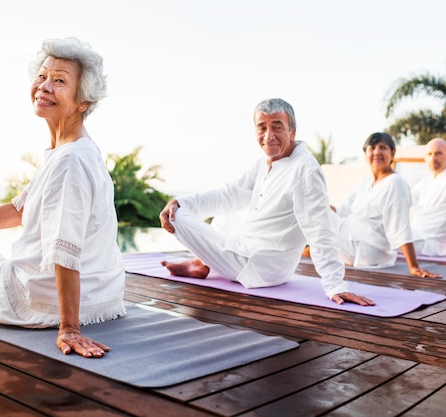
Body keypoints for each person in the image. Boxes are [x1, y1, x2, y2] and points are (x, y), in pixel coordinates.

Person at [0, 37, 125, 358]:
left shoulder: (70, 161)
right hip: (104, 298)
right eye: (42, 76)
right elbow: (21, 208)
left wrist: (69, 328)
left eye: (59, 81)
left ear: (82, 101)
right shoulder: (73, 150)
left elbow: (64, 248)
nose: (44, 86)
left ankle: (36, 310)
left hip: (45, 305)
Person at [159, 98, 374, 306]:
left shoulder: (305, 169)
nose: (268, 136)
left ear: (293, 131)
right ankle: (203, 263)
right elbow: (230, 194)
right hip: (258, 255)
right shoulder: (264, 163)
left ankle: (203, 261)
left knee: (177, 216)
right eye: (262, 127)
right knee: (223, 209)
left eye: (277, 127)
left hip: (258, 266)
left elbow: (320, 231)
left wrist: (335, 285)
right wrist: (181, 200)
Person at [331, 132, 440, 278]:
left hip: (366, 249)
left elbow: (401, 226)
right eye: (372, 148)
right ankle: (309, 249)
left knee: (312, 213)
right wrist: (320, 205)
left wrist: (413, 266)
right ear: (366, 154)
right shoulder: (365, 183)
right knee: (313, 209)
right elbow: (340, 210)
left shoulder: (396, 183)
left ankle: (308, 249)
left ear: (393, 153)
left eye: (383, 147)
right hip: (351, 241)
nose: (377, 152)